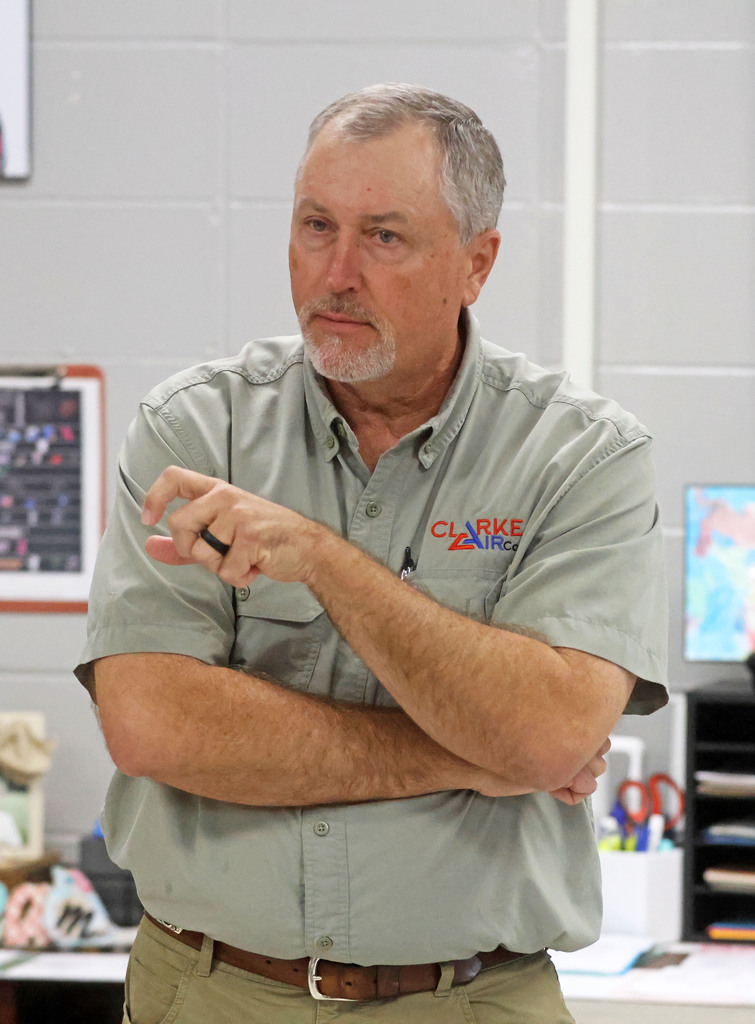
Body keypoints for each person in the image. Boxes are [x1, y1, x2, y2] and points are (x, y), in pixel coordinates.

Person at [76, 83, 668, 1024]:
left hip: (470, 1000)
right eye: (316, 226)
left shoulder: (582, 457)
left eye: (383, 237)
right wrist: (474, 759)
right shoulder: (195, 429)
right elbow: (154, 725)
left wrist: (326, 561)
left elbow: (550, 735)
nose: (335, 272)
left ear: (476, 264)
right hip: (210, 991)